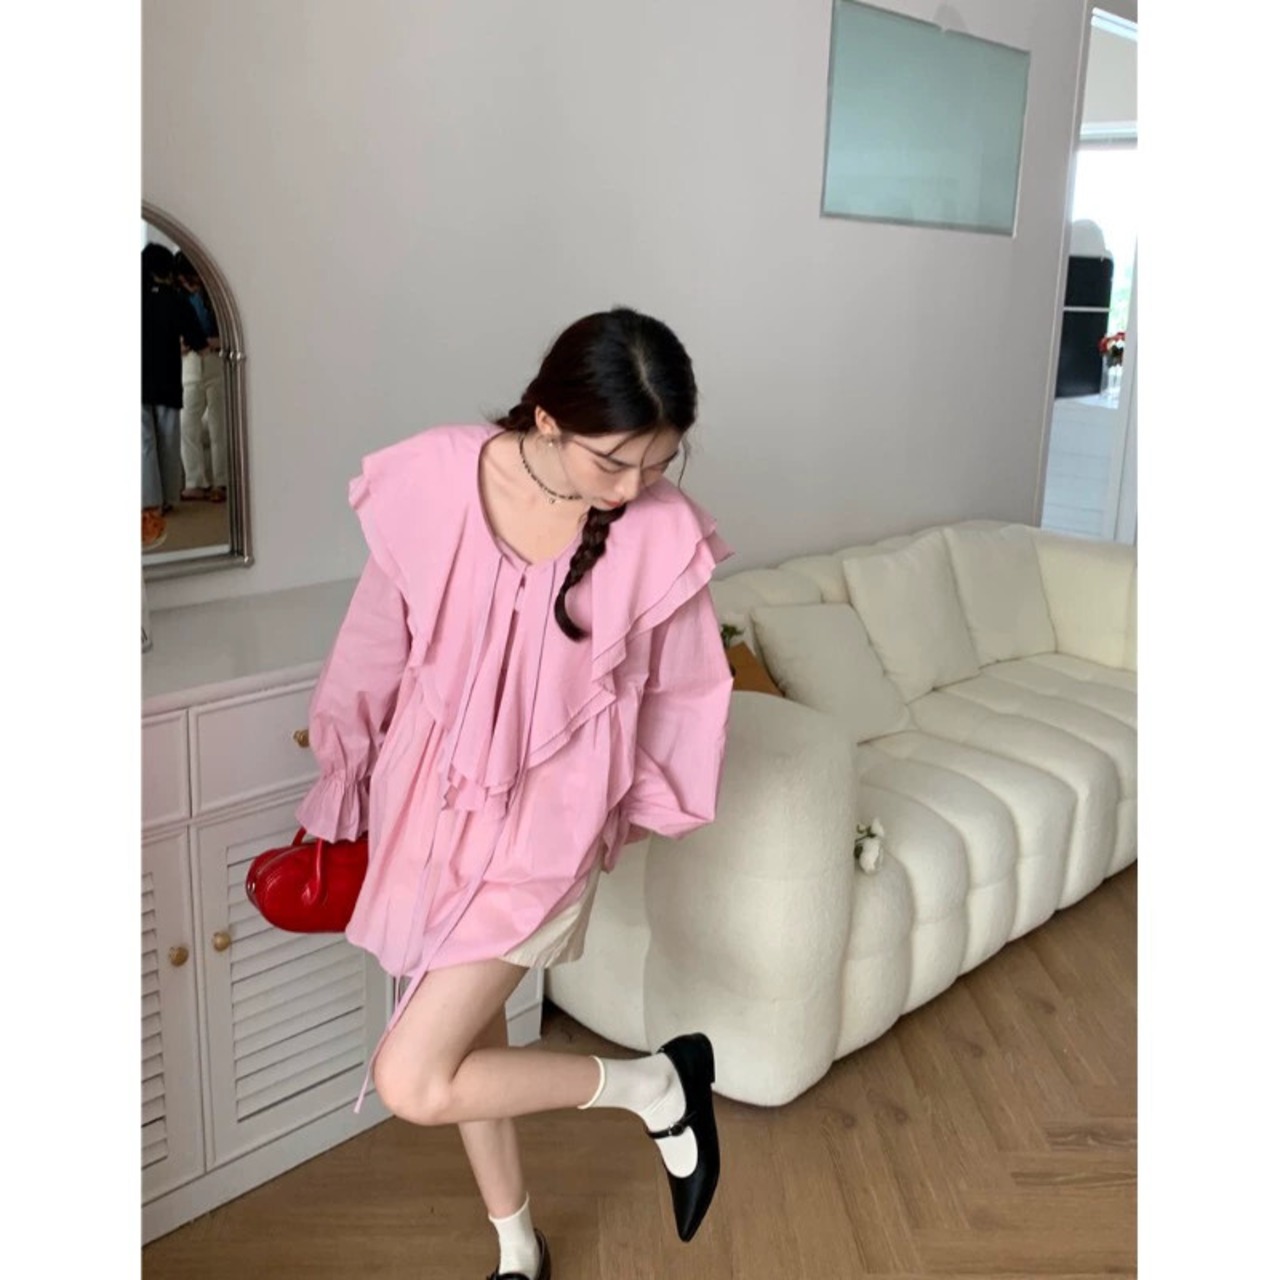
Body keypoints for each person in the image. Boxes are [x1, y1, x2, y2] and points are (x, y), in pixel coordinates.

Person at [295, 307, 734, 1280]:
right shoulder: (436, 475)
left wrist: (628, 810)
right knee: (468, 1044)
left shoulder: (658, 531)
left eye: (658, 463)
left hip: (548, 830)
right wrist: (344, 768)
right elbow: (374, 638)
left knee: (412, 1077)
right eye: (612, 462)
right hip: (432, 807)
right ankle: (517, 1247)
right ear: (545, 418)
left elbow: (689, 692)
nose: (634, 488)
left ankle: (657, 1085)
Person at [142, 243, 208, 517]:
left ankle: (149, 502)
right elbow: (199, 342)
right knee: (169, 441)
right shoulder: (175, 300)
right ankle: (168, 497)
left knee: (144, 443)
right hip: (167, 379)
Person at [173, 251, 228, 503]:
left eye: (191, 278)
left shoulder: (215, 294)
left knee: (218, 426)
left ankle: (221, 482)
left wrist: (212, 342)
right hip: (189, 364)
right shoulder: (177, 298)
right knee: (187, 424)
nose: (188, 284)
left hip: (216, 360)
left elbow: (230, 333)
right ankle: (194, 481)